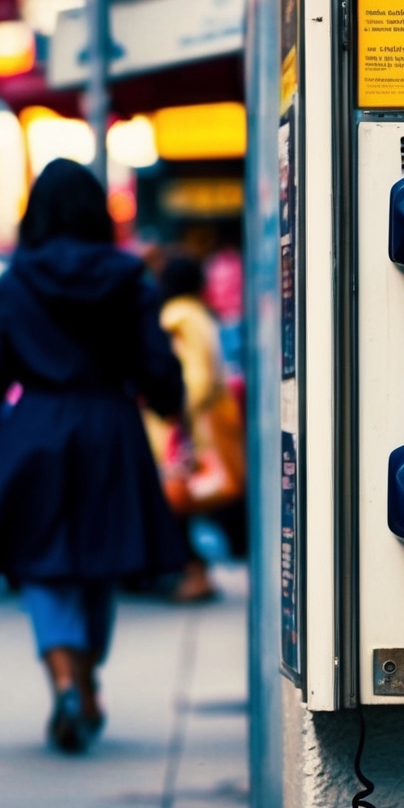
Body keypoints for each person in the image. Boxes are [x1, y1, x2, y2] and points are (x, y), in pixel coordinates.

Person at [0, 159, 186, 754]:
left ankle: (64, 680)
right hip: (110, 425)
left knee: (43, 563)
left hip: (35, 429)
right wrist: (169, 403)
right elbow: (154, 361)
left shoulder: (17, 280)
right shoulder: (129, 276)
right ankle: (86, 679)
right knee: (98, 564)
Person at [153, 253, 247, 600]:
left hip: (187, 431)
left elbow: (197, 379)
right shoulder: (199, 316)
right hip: (202, 428)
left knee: (176, 501)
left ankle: (194, 573)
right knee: (186, 503)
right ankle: (195, 570)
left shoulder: (176, 317)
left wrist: (178, 417)